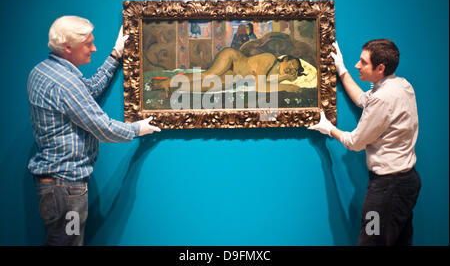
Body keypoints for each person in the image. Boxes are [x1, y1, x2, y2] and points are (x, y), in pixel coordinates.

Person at [27, 15, 161, 246]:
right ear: (68, 47)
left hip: (55, 184)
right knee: (67, 243)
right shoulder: (64, 83)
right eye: (88, 44)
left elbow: (86, 91)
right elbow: (103, 128)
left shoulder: (43, 71)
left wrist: (115, 55)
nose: (94, 48)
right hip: (65, 186)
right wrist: (136, 129)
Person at [308, 39, 421, 246]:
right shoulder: (402, 85)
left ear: (380, 68)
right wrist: (341, 71)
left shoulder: (383, 98)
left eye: (363, 62)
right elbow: (363, 100)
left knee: (371, 241)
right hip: (406, 183)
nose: (357, 65)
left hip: (386, 190)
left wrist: (329, 129)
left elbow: (355, 142)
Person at [151, 47, 304, 96]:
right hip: (233, 59)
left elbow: (265, 83)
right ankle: (167, 81)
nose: (290, 69)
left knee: (213, 86)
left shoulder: (277, 75)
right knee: (208, 75)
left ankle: (174, 86)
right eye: (291, 63)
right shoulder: (270, 59)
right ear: (284, 59)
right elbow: (260, 87)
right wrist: (287, 87)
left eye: (294, 70)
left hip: (235, 75)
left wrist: (285, 78)